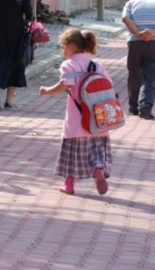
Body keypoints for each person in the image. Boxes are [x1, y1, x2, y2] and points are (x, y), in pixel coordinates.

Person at [39, 28, 112, 196]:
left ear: (71, 47)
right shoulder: (96, 65)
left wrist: (46, 91)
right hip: (97, 118)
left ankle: (69, 185)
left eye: (63, 47)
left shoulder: (69, 65)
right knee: (96, 148)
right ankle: (98, 169)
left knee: (71, 154)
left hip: (77, 117)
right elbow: (108, 85)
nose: (63, 51)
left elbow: (64, 85)